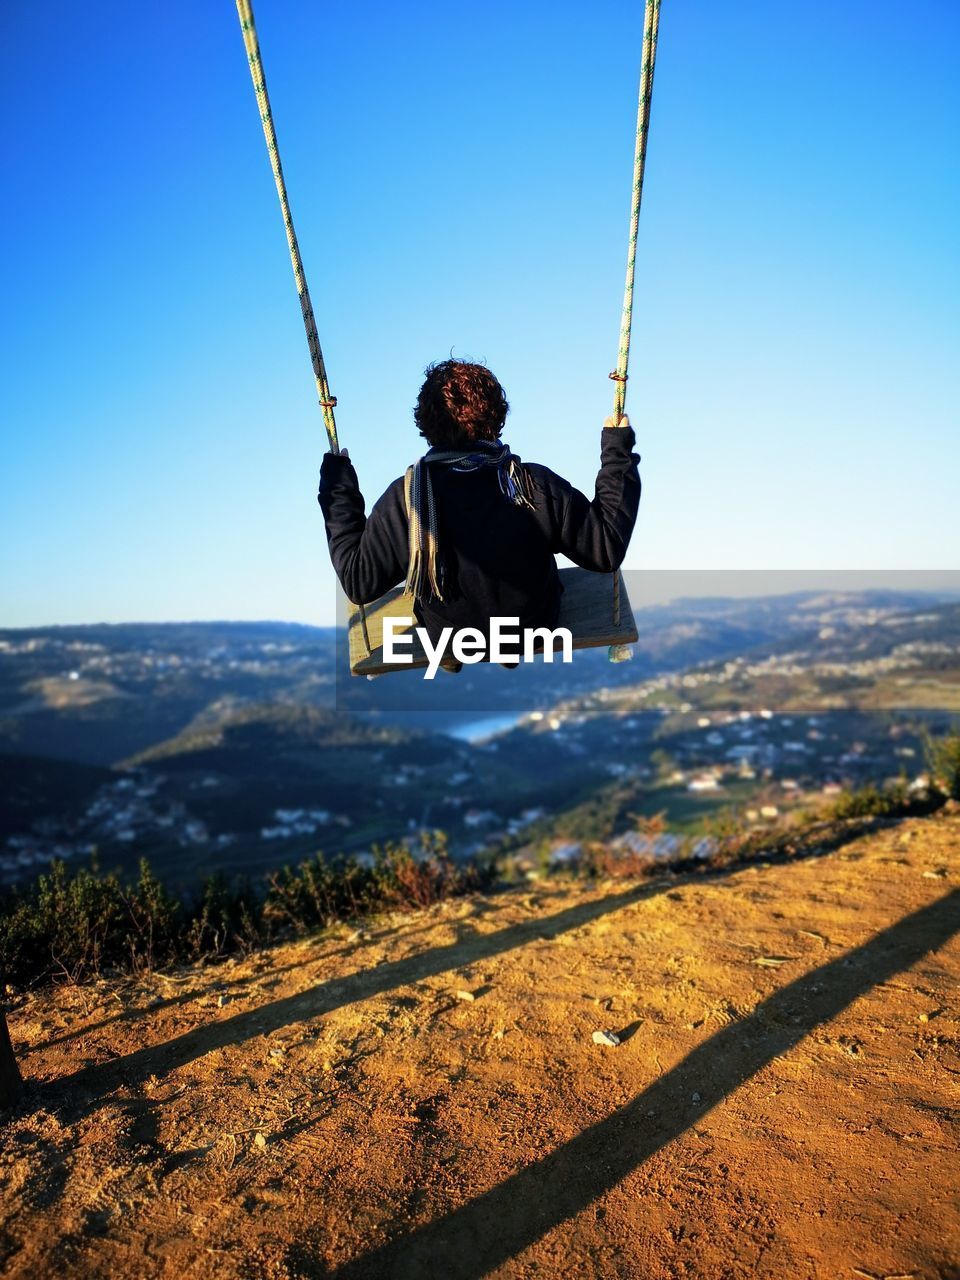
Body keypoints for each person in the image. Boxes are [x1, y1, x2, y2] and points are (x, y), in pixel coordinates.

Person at [318, 359, 641, 647]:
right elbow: (604, 549)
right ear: (497, 415)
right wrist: (617, 453)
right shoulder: (530, 484)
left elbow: (359, 583)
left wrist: (338, 489)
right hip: (533, 627)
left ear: (425, 422)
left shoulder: (407, 499)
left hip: (447, 636)